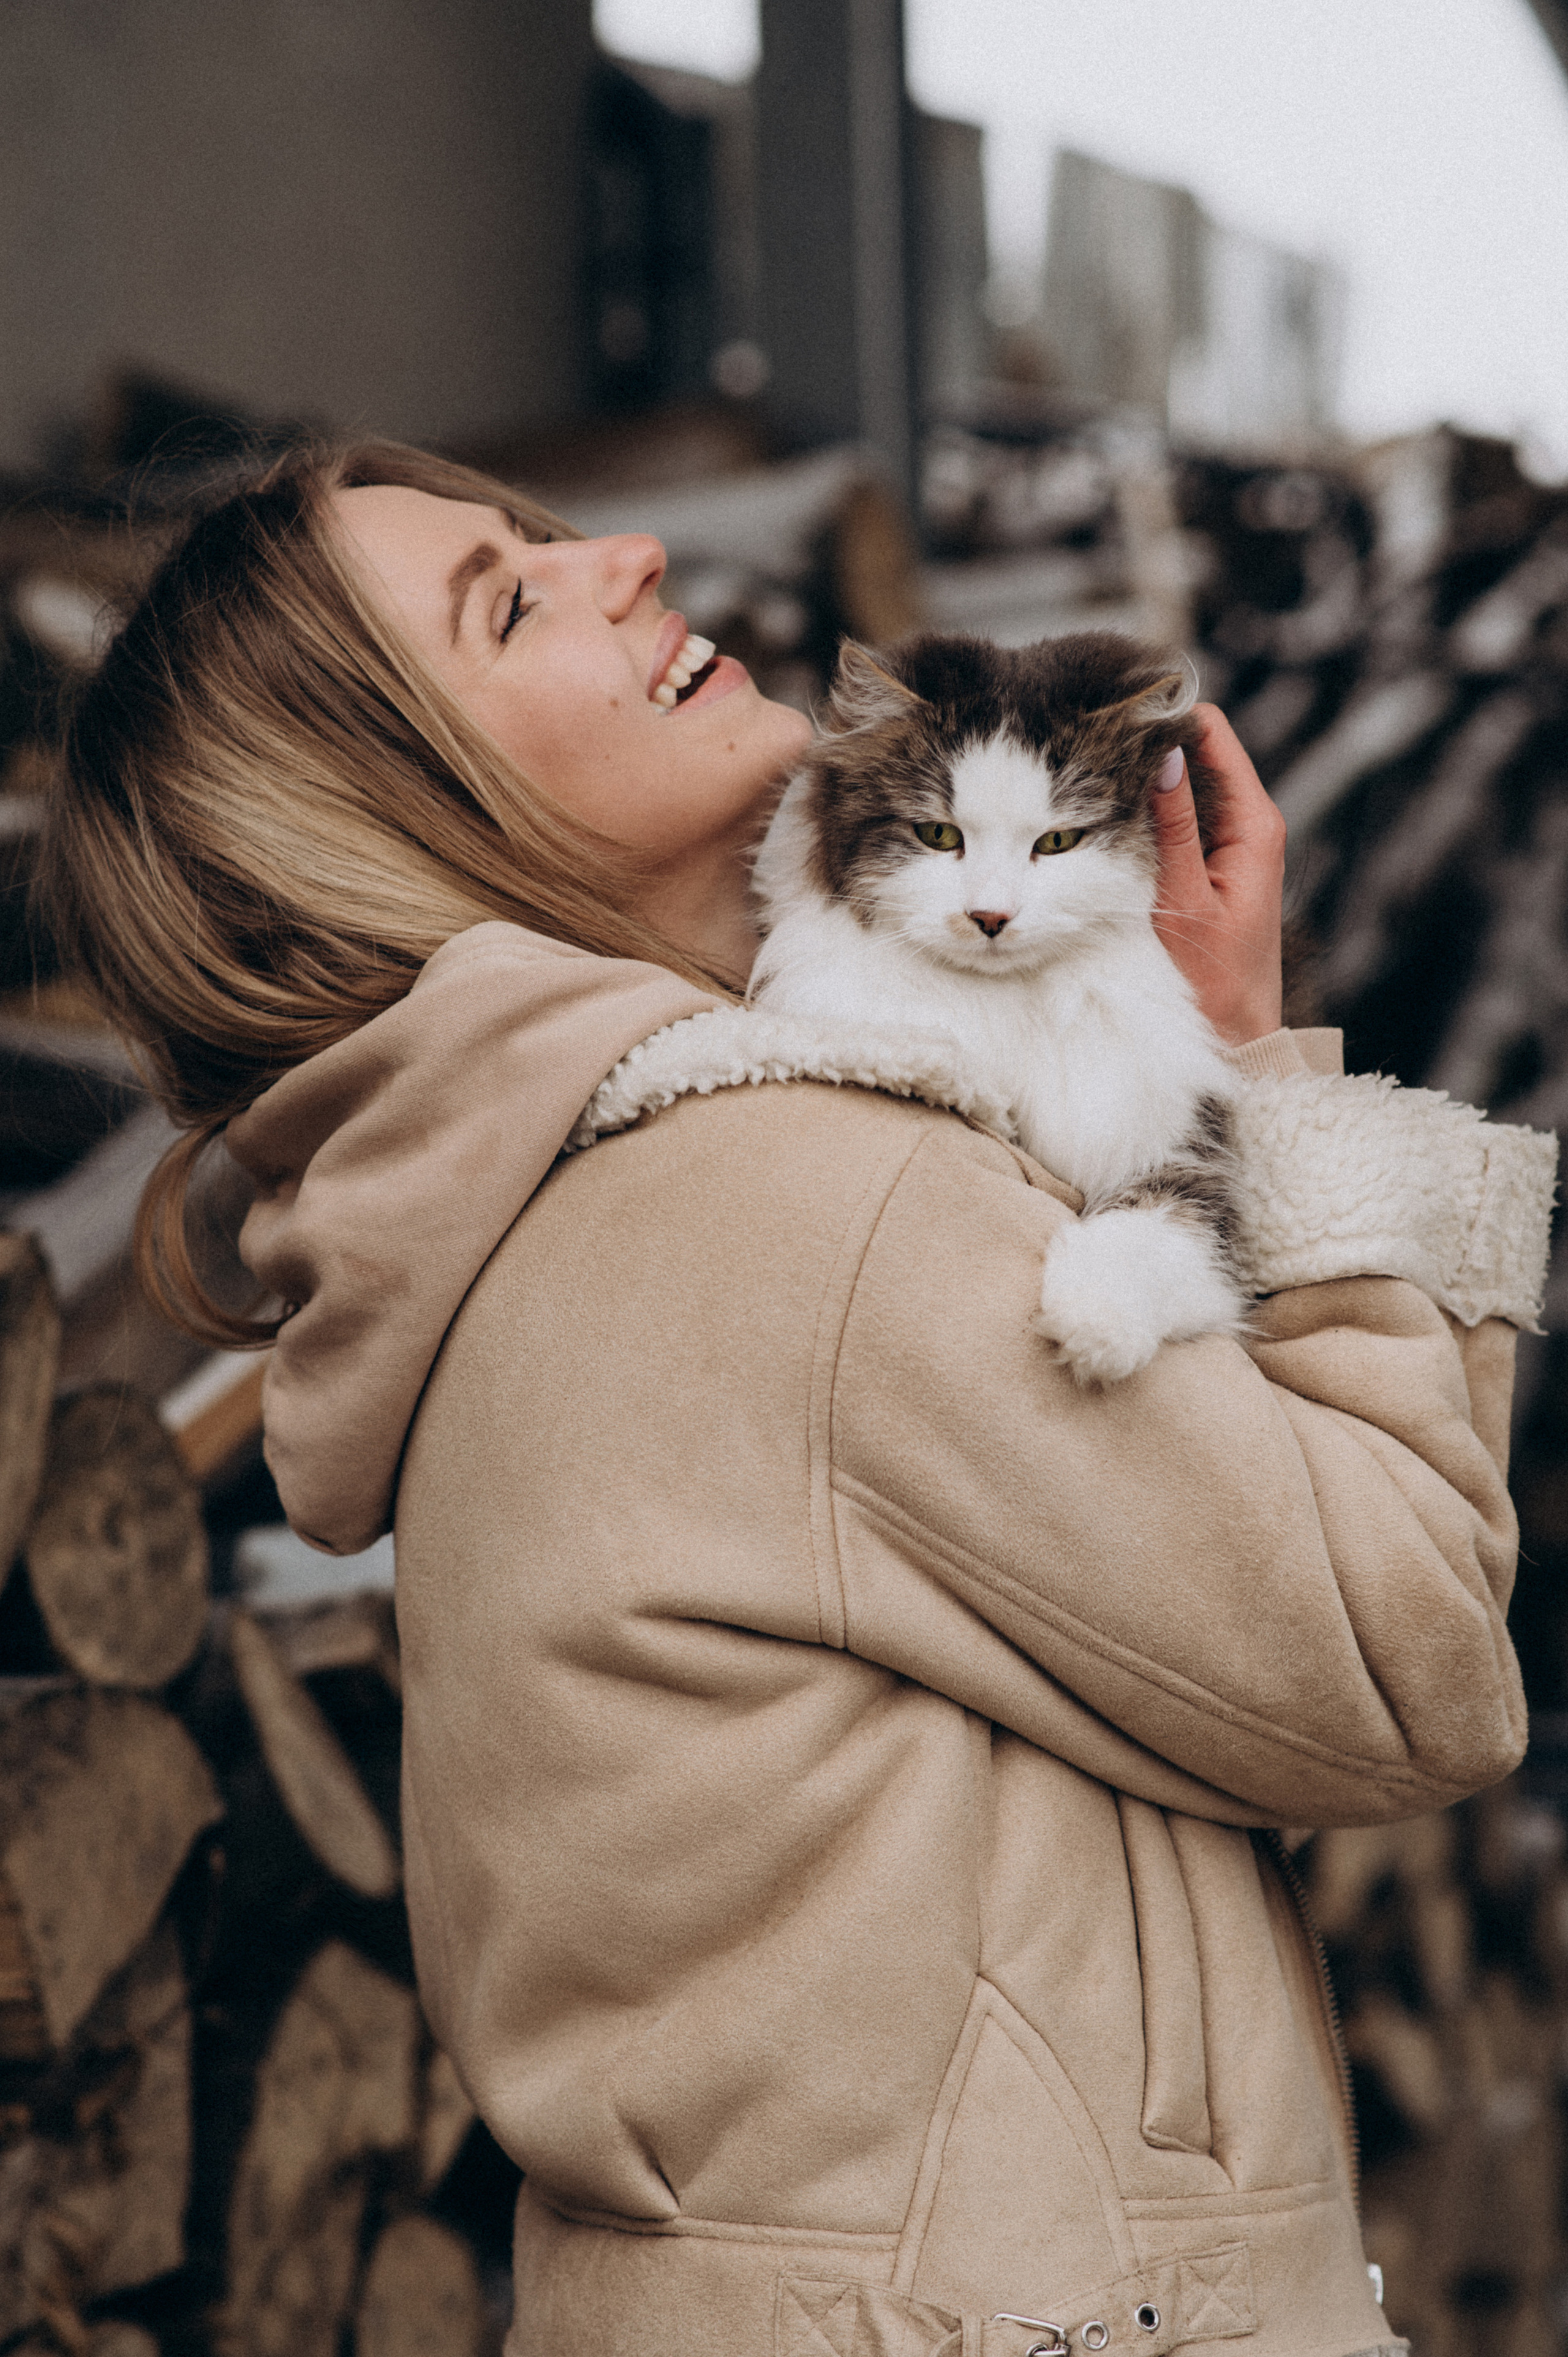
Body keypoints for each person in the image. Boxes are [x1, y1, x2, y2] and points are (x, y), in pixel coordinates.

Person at [47, 442, 1555, 2357]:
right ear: (401, 820)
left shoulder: (534, 1220)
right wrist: (1268, 1083)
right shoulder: (788, 1210)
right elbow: (1412, 1655)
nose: (630, 552)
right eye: (509, 603)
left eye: (545, 535)